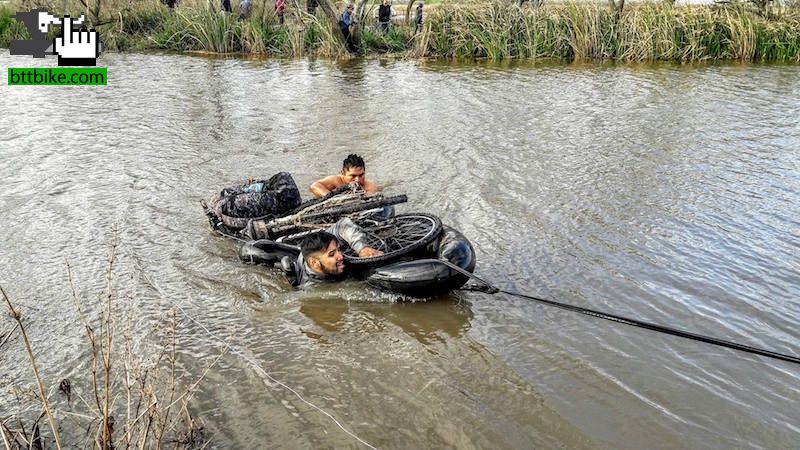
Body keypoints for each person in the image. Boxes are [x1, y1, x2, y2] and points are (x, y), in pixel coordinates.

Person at [294, 219, 383, 288]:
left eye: (339, 250)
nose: (341, 256)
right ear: (314, 263)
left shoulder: (323, 241)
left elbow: (344, 224)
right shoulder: (311, 288)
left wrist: (362, 248)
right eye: (331, 254)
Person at [309, 154, 378, 198]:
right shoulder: (335, 180)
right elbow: (314, 186)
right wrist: (331, 197)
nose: (357, 180)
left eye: (361, 175)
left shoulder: (370, 186)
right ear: (343, 173)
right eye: (353, 176)